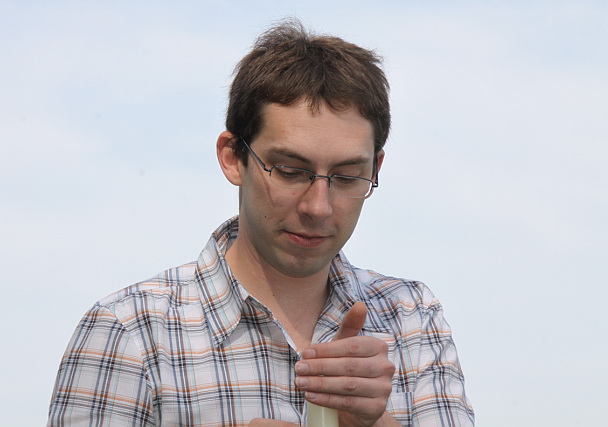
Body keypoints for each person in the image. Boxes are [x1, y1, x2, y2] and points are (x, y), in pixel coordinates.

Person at [48, 20, 474, 427]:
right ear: (233, 157)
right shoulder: (129, 331)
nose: (319, 207)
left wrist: (373, 422)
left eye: (347, 177)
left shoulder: (412, 316)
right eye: (290, 171)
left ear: (376, 168)